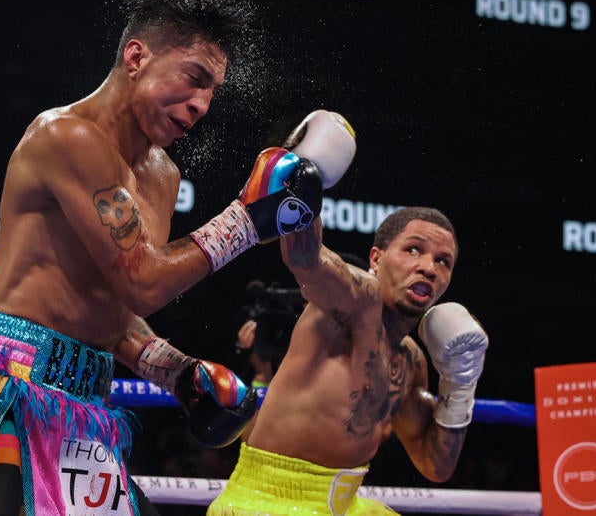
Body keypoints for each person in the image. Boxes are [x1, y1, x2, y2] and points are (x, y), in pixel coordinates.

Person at [0, 0, 356, 515]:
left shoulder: (161, 175)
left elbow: (119, 307)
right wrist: (244, 221)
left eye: (212, 91)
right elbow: (143, 280)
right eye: (193, 78)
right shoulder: (66, 137)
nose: (201, 105)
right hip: (10, 388)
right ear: (136, 56)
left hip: (88, 407)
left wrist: (174, 370)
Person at [208, 206, 490, 515]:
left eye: (442, 261)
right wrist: (306, 186)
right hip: (267, 502)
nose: (428, 268)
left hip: (345, 505)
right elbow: (305, 257)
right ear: (376, 259)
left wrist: (461, 381)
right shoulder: (354, 299)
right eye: (413, 250)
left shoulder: (411, 362)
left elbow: (435, 465)